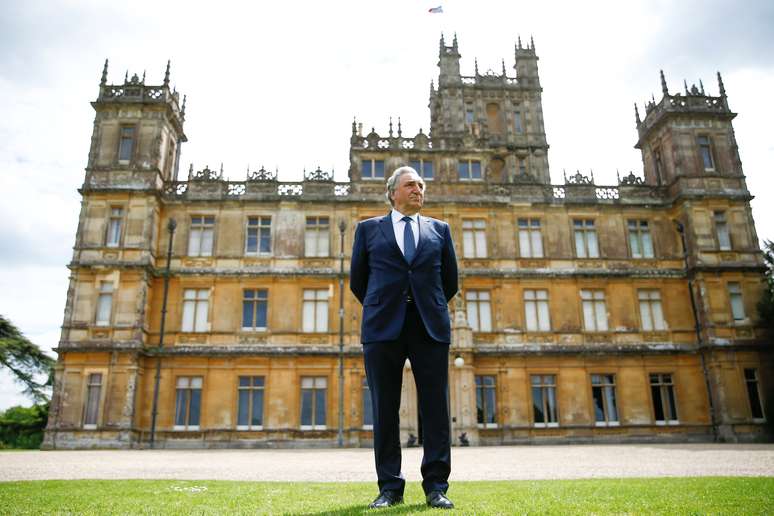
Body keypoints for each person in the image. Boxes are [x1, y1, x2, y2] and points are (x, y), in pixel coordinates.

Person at [350, 166, 459, 509]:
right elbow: (358, 280)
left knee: (436, 409)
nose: (418, 189)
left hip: (429, 326)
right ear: (393, 192)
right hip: (383, 327)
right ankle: (390, 488)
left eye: (421, 185)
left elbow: (450, 281)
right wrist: (385, 304)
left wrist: (426, 304)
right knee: (385, 409)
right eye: (411, 184)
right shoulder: (368, 229)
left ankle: (436, 487)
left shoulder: (440, 230)